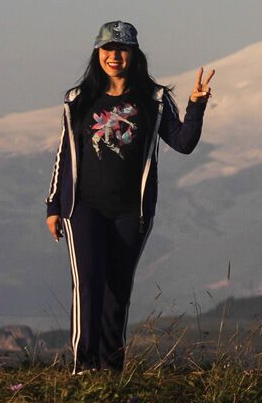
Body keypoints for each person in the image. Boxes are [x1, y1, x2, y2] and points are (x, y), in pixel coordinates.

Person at [45, 21, 212, 372]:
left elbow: (183, 143)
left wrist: (196, 105)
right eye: (107, 48)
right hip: (82, 207)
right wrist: (53, 206)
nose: (114, 55)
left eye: (121, 49)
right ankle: (84, 367)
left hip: (130, 212)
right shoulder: (78, 100)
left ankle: (111, 369)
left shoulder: (153, 100)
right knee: (88, 284)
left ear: (134, 54)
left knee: (116, 291)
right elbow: (65, 153)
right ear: (97, 53)